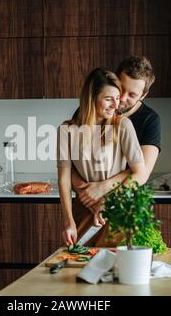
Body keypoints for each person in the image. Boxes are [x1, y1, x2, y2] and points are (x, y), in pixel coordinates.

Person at [57, 68, 149, 246]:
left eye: (117, 98)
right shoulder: (66, 130)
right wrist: (68, 221)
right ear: (91, 98)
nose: (116, 105)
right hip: (84, 211)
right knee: (75, 268)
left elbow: (139, 173)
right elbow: (64, 179)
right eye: (108, 99)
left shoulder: (123, 126)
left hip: (117, 211)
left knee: (118, 270)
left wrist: (107, 201)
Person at [71, 56, 161, 216]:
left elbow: (142, 172)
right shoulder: (88, 112)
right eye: (121, 88)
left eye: (132, 95)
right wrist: (86, 193)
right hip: (86, 204)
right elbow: (71, 164)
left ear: (143, 95)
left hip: (125, 207)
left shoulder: (150, 120)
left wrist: (104, 189)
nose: (122, 99)